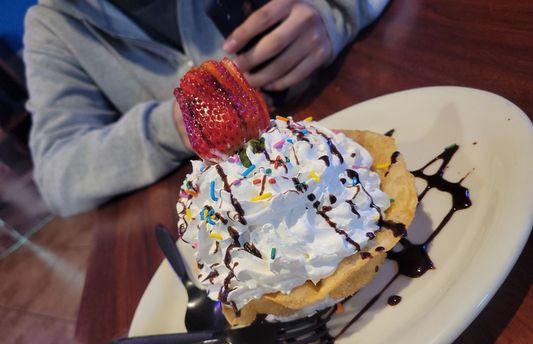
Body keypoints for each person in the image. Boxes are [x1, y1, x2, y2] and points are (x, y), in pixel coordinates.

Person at [24, 0, 389, 217]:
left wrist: (335, 11)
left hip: (364, 117)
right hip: (240, 210)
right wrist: (174, 124)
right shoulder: (52, 25)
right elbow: (59, 176)